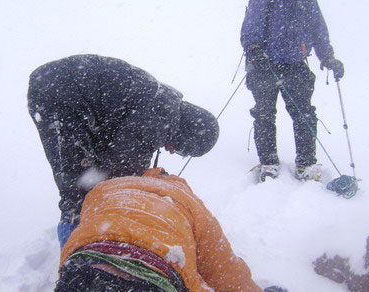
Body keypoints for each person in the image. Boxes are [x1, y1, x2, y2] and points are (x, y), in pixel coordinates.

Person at [27, 55, 219, 246]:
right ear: (187, 134)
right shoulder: (161, 115)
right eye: (181, 150)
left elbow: (113, 151)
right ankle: (75, 254)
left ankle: (81, 241)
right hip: (61, 97)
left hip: (55, 87)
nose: (171, 151)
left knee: (84, 177)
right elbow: (123, 169)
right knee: (76, 187)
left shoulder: (162, 101)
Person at [56, 168, 263, 292]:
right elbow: (225, 271)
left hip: (82, 269)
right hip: (149, 280)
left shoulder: (106, 187)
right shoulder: (189, 202)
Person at [241, 0, 344, 182]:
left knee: (304, 114)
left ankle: (306, 164)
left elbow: (317, 27)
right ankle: (268, 164)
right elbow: (252, 23)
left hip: (295, 64)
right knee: (265, 114)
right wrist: (254, 48)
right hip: (263, 63)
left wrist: (327, 56)